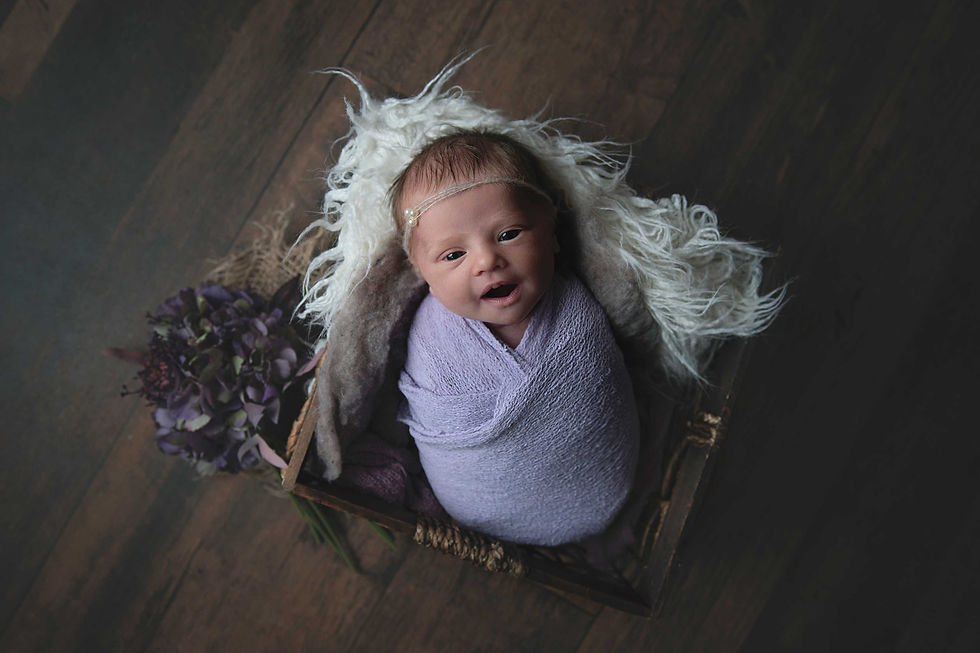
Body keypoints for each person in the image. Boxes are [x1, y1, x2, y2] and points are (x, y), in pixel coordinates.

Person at [392, 131, 640, 546]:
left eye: (509, 233)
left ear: (552, 233)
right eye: (454, 255)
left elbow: (601, 393)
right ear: (424, 275)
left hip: (601, 485)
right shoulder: (431, 339)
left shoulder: (576, 316)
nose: (487, 260)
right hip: (481, 507)